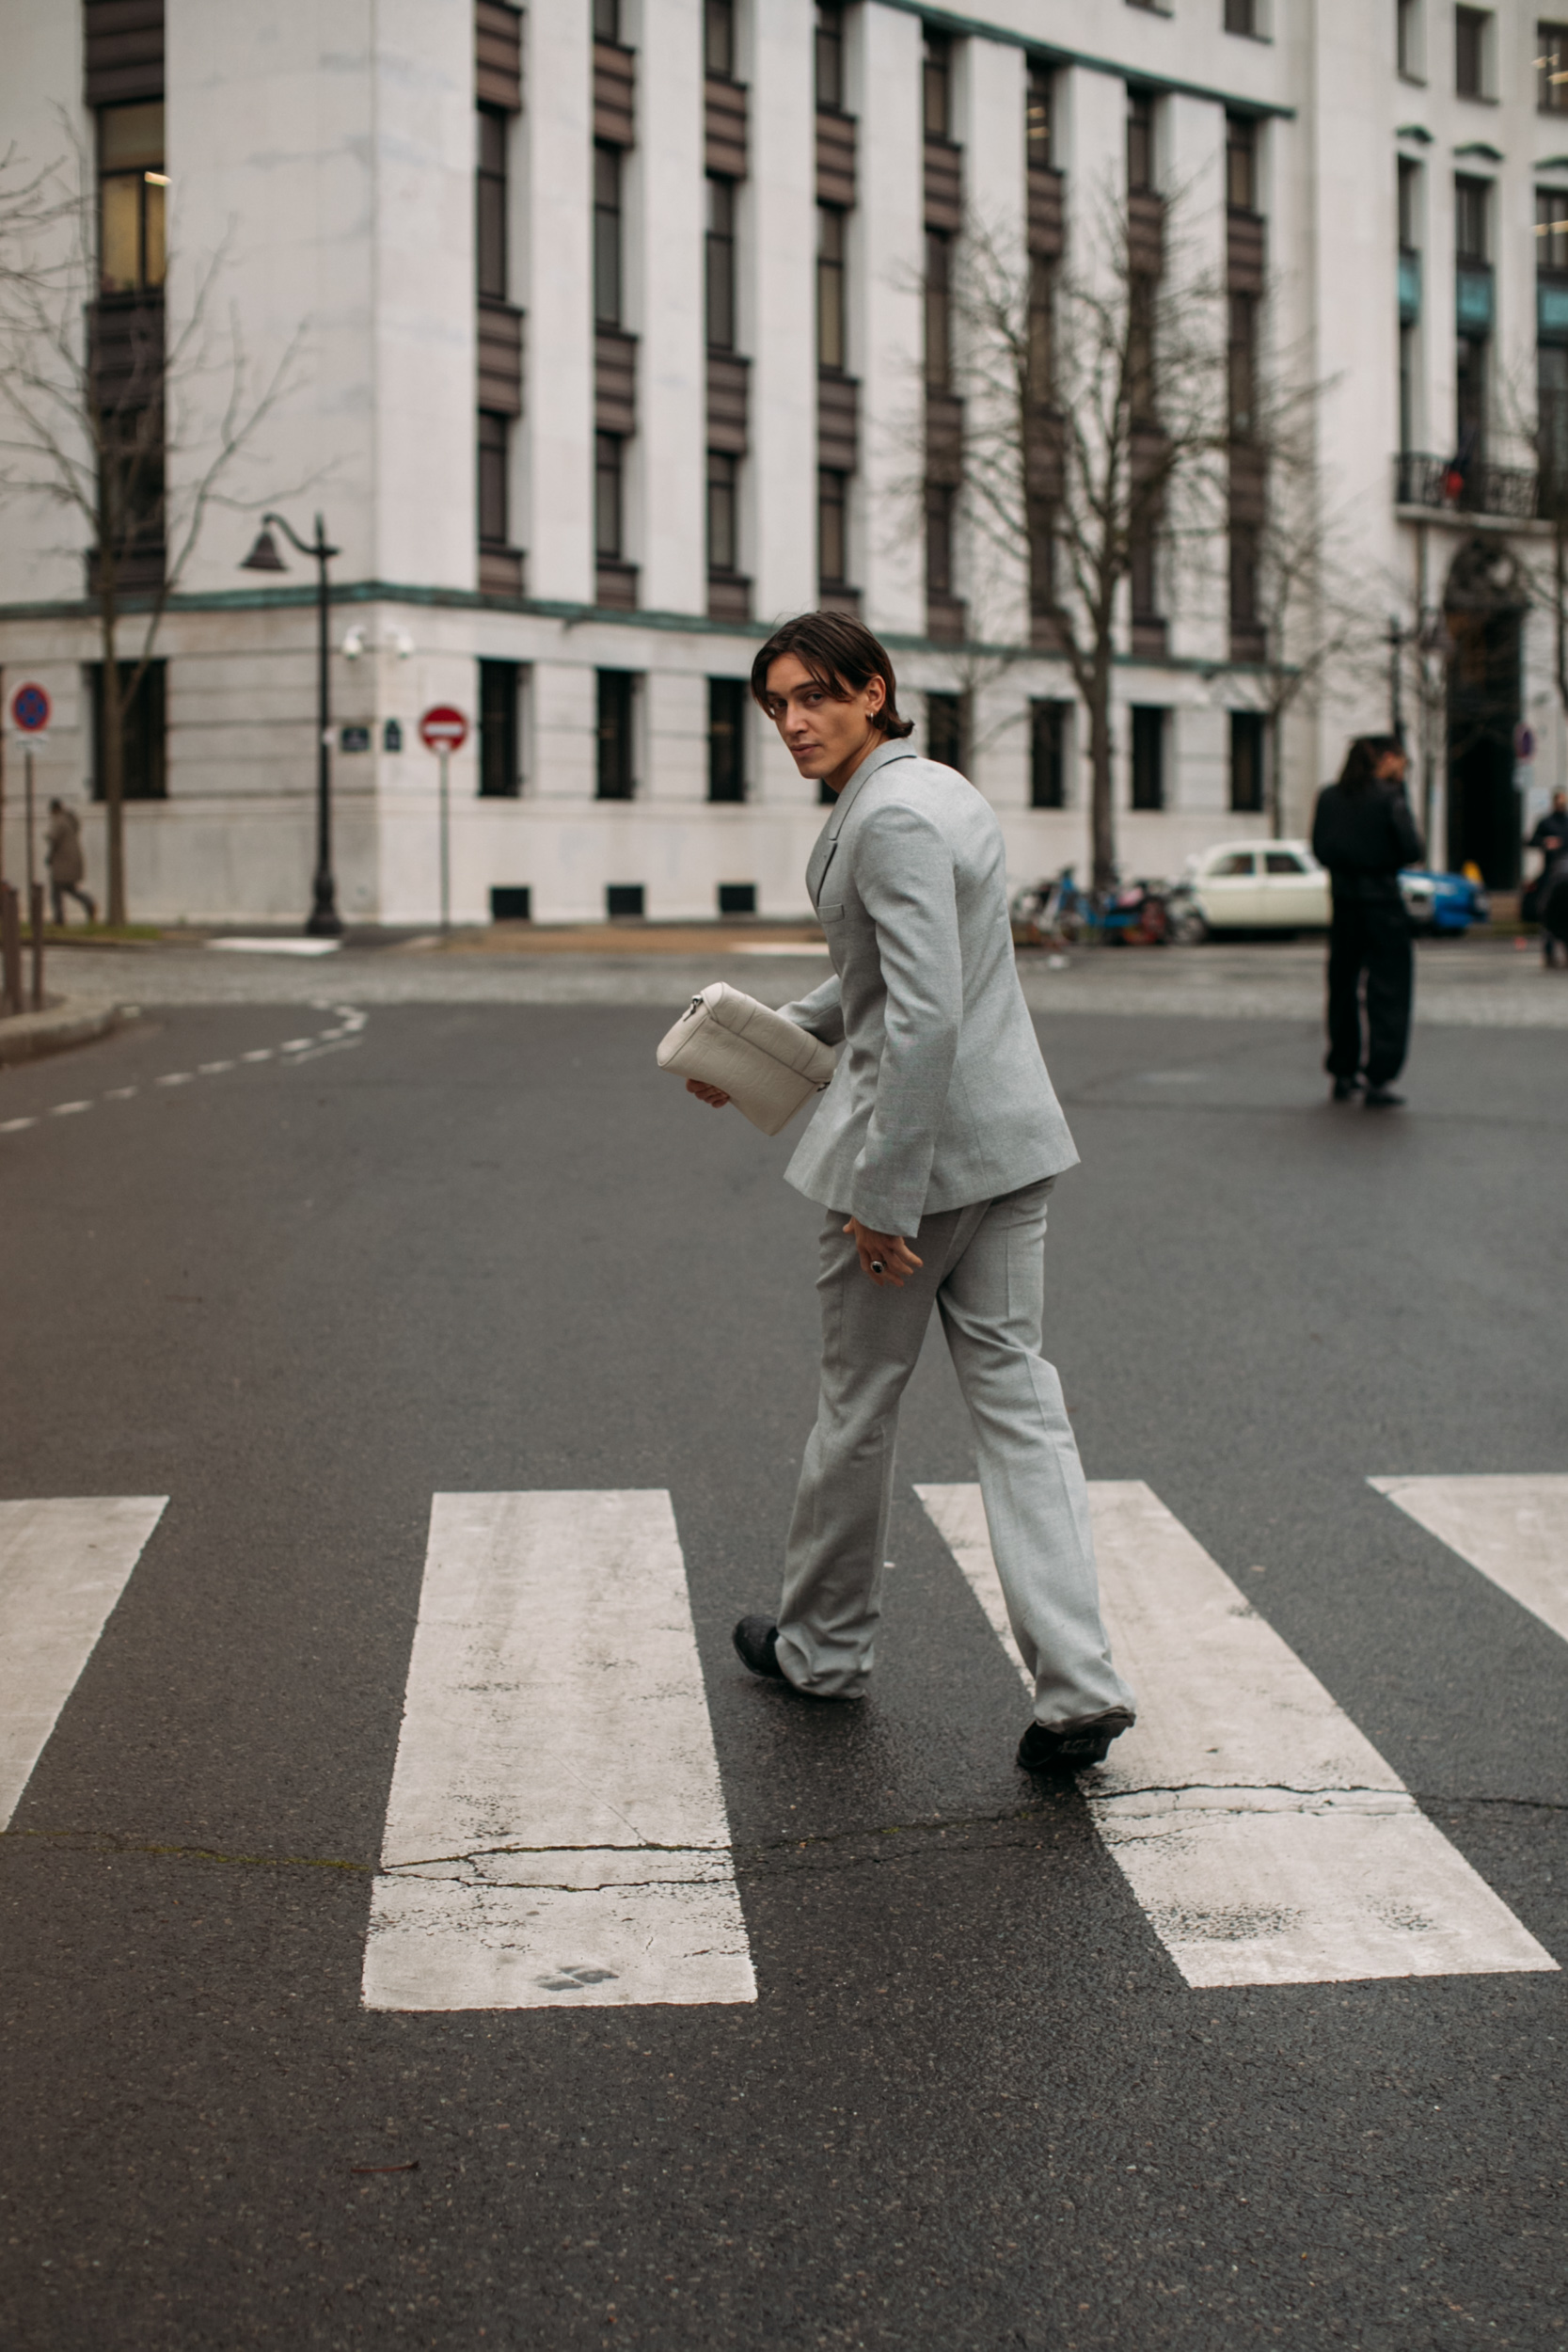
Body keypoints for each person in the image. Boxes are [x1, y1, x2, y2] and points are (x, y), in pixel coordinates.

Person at [686, 612, 1134, 1773]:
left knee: (856, 1406)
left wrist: (882, 1196)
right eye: (775, 704)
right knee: (1020, 1406)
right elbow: (890, 972)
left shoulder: (879, 817)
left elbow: (926, 1010)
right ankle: (1077, 1683)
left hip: (917, 1162)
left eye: (813, 697)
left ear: (873, 691)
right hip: (1010, 1147)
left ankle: (822, 1648)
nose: (791, 722)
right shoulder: (940, 790)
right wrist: (774, 1036)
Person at [1310, 736, 1423, 1107]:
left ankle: (1343, 1070)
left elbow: (1320, 849)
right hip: (1383, 904)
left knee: (1342, 988)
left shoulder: (1329, 797)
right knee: (1388, 991)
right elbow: (1412, 849)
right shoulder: (1389, 797)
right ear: (1388, 759)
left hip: (1343, 903)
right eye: (1402, 761)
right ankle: (1379, 1074)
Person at [1525, 790, 1568, 966]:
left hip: (1566, 874)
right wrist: (1545, 842)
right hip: (1550, 873)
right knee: (1547, 912)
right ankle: (1549, 953)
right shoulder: (1546, 822)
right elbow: (1530, 841)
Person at [44, 800, 97, 927]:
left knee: (56, 892)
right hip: (72, 862)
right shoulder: (69, 820)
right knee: (70, 889)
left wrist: (46, 836)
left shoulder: (60, 821)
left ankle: (59, 919)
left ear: (54, 809)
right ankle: (89, 903)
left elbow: (53, 838)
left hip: (63, 863)